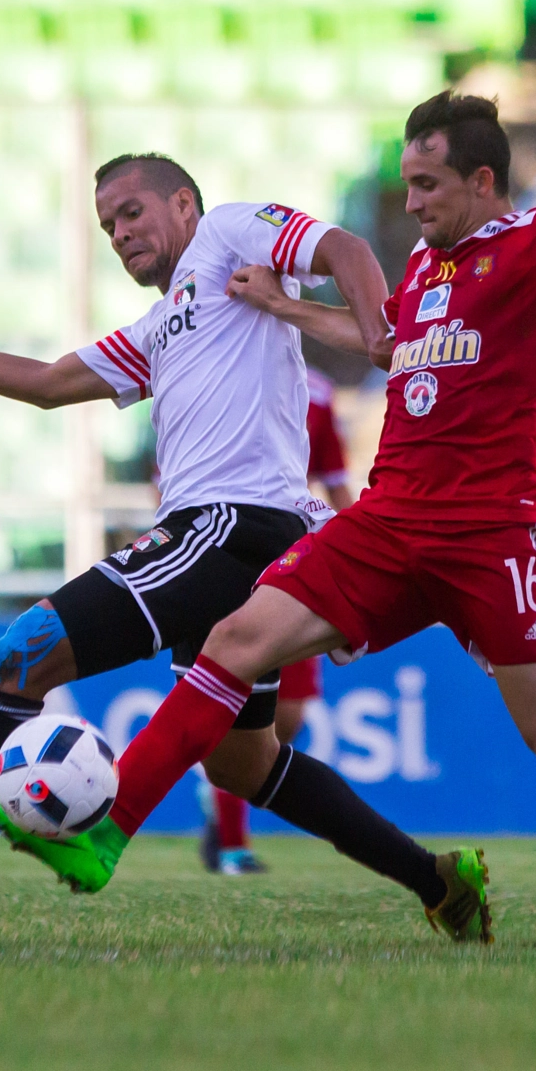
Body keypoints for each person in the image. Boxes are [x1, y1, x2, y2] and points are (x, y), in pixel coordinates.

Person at [9, 94, 536, 954]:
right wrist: (285, 305)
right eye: (407, 185)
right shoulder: (425, 265)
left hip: (491, 534)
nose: (410, 203)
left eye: (427, 184)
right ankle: (107, 833)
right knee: (231, 641)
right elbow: (389, 345)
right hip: (387, 520)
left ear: (482, 182)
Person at [0, 154, 492, 940]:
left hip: (232, 524)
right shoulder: (161, 328)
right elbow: (48, 382)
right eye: (107, 226)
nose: (120, 233)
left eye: (131, 212)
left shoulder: (229, 237)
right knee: (243, 765)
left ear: (184, 204)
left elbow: (347, 252)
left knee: (26, 651)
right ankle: (439, 882)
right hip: (233, 539)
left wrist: (376, 328)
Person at [200, 366, 356, 875]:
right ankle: (232, 847)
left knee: (286, 718)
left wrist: (359, 561)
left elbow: (335, 483)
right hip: (224, 553)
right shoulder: (209, 372)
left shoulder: (318, 392)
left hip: (293, 560)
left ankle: (222, 793)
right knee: (233, 701)